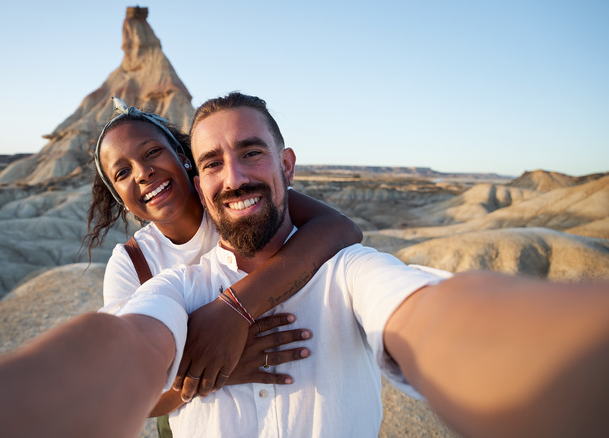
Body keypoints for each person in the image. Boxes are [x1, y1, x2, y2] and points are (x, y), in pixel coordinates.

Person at [107, 92, 609, 437]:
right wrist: (216, 369)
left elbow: (366, 258)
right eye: (214, 162)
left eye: (251, 152)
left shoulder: (343, 269)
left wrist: (235, 309)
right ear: (202, 182)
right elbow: (122, 364)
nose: (234, 178)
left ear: (287, 167)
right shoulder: (156, 274)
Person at [87, 97, 363, 418]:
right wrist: (221, 369)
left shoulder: (236, 202)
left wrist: (235, 309)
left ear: (183, 157)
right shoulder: (132, 262)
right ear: (119, 198)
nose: (143, 173)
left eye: (151, 153)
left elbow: (338, 227)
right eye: (122, 172)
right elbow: (136, 400)